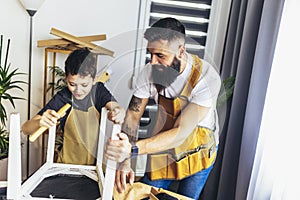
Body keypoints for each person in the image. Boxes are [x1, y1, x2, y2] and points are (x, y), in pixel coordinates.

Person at [105, 17, 221, 199]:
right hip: (164, 152)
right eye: (150, 54)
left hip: (198, 153)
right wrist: (125, 161)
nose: (152, 62)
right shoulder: (149, 73)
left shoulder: (206, 78)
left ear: (181, 51)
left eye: (160, 56)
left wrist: (132, 149)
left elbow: (181, 132)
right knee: (146, 193)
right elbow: (132, 118)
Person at [22, 47, 125, 165]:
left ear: (94, 79)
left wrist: (118, 111)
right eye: (72, 84)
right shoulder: (64, 97)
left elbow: (116, 107)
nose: (78, 90)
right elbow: (26, 129)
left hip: (96, 166)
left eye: (84, 85)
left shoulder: (99, 91)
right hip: (67, 164)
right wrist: (40, 122)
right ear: (66, 79)